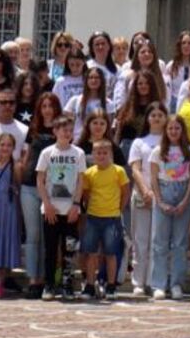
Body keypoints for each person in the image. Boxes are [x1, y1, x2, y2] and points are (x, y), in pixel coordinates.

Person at [145, 108, 190, 300]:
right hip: (164, 192)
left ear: (182, 131)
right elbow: (154, 178)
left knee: (180, 242)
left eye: (177, 128)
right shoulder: (158, 152)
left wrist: (185, 200)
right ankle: (158, 283)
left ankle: (176, 283)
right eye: (170, 128)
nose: (174, 132)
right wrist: (160, 201)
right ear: (166, 131)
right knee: (160, 242)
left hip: (182, 191)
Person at [35, 115, 84, 299]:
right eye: (63, 130)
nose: (67, 133)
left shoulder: (77, 153)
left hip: (70, 210)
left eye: (70, 130)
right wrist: (46, 204)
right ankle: (49, 284)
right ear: (55, 131)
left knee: (69, 250)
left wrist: (76, 205)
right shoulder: (47, 153)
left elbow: (80, 181)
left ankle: (67, 284)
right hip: (51, 210)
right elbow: (40, 180)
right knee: (50, 248)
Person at [76, 137, 127, 299]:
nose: (101, 156)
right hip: (93, 217)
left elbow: (125, 191)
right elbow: (85, 194)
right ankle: (90, 286)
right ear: (93, 154)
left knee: (110, 254)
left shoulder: (119, 171)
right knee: (90, 253)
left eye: (105, 152)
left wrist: (120, 209)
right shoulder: (89, 173)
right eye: (98, 152)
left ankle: (111, 286)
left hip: (112, 218)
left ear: (110, 153)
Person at [124, 105, 168, 295]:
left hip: (164, 196)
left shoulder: (170, 142)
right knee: (140, 239)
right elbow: (135, 169)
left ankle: (154, 281)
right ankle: (138, 282)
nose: (156, 118)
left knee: (157, 241)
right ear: (147, 119)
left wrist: (158, 194)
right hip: (142, 195)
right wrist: (145, 191)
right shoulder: (139, 142)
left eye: (160, 115)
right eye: (153, 115)